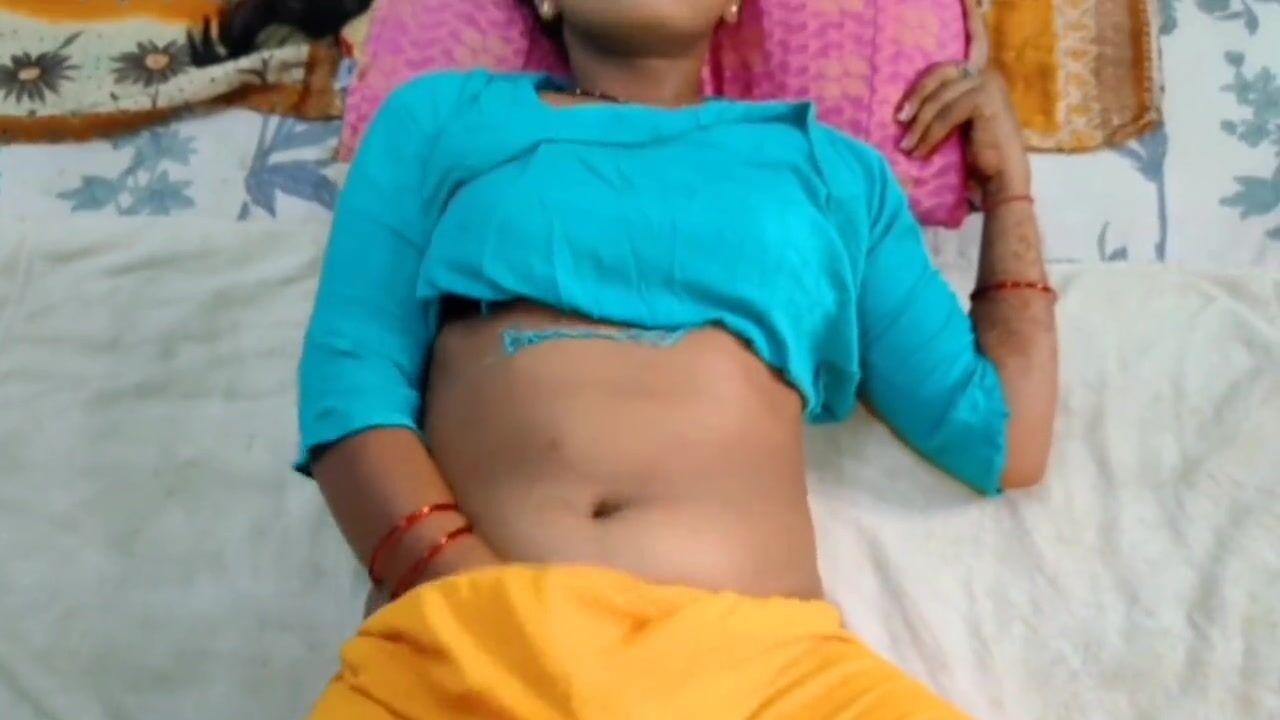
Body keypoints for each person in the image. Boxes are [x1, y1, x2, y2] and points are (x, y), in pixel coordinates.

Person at [298, 0, 1058, 716]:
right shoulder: (440, 120)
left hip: (766, 678)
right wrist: (464, 587)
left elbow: (1003, 433)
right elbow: (351, 381)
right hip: (468, 651)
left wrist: (1009, 187)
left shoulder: (834, 174)